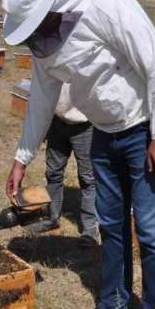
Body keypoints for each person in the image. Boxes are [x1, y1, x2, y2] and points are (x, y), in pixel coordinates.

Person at [1, 0, 155, 309]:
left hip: (143, 127)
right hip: (103, 132)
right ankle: (113, 302)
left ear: (50, 9)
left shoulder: (105, 0)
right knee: (111, 226)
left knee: (151, 233)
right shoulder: (44, 39)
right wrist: (21, 158)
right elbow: (42, 101)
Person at [26, 83, 99, 245]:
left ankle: (89, 229)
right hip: (57, 120)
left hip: (85, 124)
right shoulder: (49, 59)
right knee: (53, 173)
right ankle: (52, 218)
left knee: (88, 178)